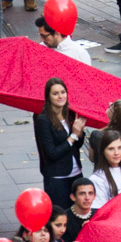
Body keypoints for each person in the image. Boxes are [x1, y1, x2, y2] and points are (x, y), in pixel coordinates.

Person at [34, 77, 86, 207]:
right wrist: (73, 135)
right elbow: (51, 153)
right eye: (55, 93)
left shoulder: (70, 114)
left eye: (63, 92)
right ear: (48, 97)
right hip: (58, 178)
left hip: (76, 174)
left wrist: (80, 133)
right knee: (61, 217)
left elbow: (76, 146)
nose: (60, 96)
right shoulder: (43, 120)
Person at [88, 129, 121, 209]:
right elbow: (101, 210)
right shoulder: (97, 178)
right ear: (103, 151)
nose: (116, 153)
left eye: (119, 148)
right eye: (111, 149)